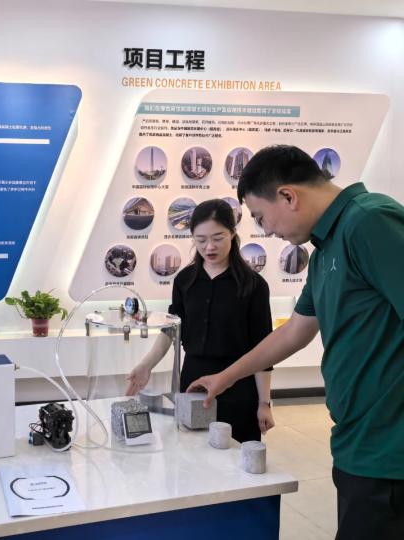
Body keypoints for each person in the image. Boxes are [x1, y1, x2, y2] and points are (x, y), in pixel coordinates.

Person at [187, 145, 404, 539]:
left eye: (261, 217)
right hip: (356, 441)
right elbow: (295, 332)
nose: (267, 230)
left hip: (389, 447)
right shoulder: (325, 251)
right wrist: (226, 377)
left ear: (287, 195)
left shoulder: (369, 221)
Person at [126, 198, 275, 442]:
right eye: (201, 240)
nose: (209, 247)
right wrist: (146, 365)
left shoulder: (253, 285)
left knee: (235, 455)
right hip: (193, 381)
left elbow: (263, 348)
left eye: (218, 238)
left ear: (233, 233)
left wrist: (264, 403)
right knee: (191, 451)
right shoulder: (184, 281)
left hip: (238, 384)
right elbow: (172, 330)